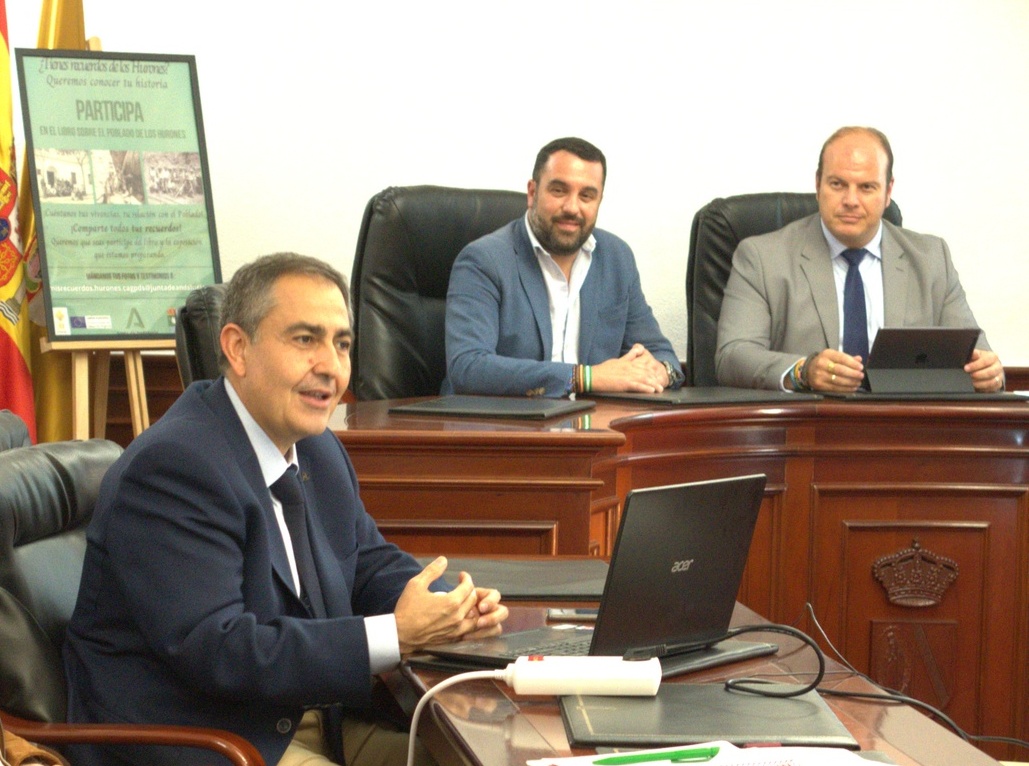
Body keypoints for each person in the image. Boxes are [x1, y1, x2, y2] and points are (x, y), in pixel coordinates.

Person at [63, 253, 508, 766]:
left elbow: (364, 561)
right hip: (207, 740)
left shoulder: (316, 447)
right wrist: (396, 635)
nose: (330, 366)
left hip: (304, 719)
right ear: (237, 348)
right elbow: (221, 651)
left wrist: (450, 606)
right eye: (305, 339)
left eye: (341, 344)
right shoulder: (175, 467)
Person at [715, 126, 1004, 393]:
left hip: (904, 429)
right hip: (808, 429)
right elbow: (732, 357)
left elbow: (978, 355)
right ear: (818, 185)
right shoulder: (762, 258)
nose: (851, 200)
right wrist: (803, 371)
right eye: (838, 184)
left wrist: (989, 372)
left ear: (888, 191)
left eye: (866, 187)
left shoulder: (931, 260)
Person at [442, 136, 684, 398]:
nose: (572, 208)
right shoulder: (483, 260)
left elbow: (661, 353)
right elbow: (468, 367)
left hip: (592, 427)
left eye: (587, 196)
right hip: (507, 429)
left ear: (599, 201)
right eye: (559, 191)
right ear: (533, 193)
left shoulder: (617, 258)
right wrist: (585, 377)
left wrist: (660, 371)